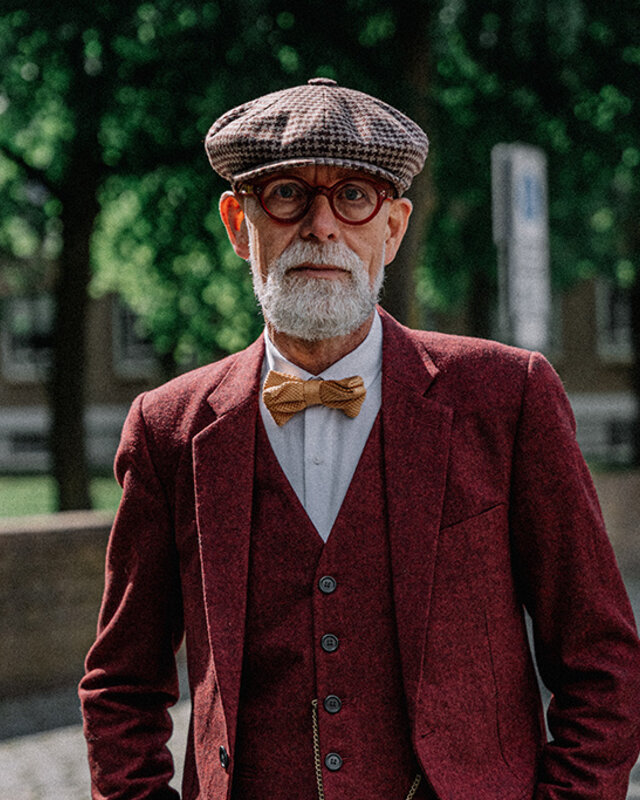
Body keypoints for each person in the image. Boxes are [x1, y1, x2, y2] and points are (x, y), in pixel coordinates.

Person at [80, 78, 640, 800]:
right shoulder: (170, 428)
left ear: (395, 227)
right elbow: (121, 686)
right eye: (286, 194)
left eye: (353, 196)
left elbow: (601, 661)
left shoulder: (508, 398)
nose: (320, 226)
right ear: (237, 223)